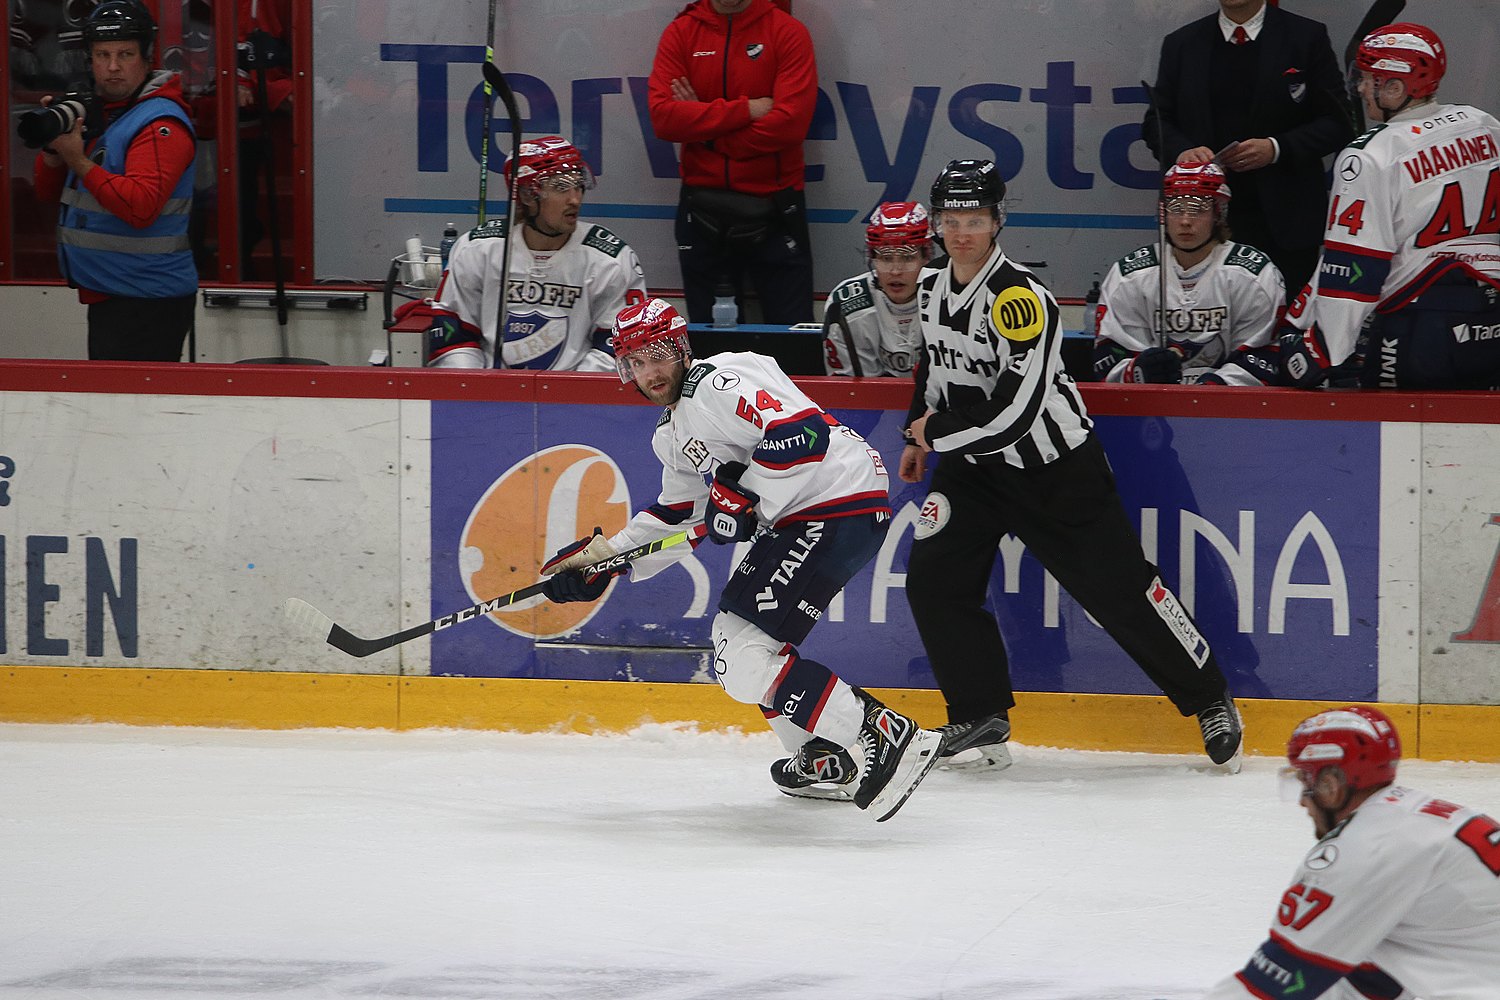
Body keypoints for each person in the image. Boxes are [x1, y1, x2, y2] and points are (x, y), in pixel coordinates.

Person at [539, 297, 943, 821]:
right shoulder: (672, 432)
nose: (649, 371)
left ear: (680, 347)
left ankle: (882, 736)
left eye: (658, 353)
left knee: (744, 655)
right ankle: (824, 753)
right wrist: (608, 560)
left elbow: (805, 435)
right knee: (743, 649)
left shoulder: (717, 383)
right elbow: (679, 512)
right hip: (814, 511)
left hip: (833, 500)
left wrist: (743, 493)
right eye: (636, 362)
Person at [900, 159, 1243, 774]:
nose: (961, 233)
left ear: (998, 221)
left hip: (1053, 469)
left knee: (1117, 591)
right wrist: (919, 430)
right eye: (950, 220)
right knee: (933, 579)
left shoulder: (1021, 299)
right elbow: (937, 362)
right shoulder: (930, 286)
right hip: (970, 470)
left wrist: (938, 431)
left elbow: (1017, 411)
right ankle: (978, 713)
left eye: (974, 220)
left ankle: (1208, 694)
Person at [1199, 705, 1500, 999]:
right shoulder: (1415, 814)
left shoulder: (1362, 850)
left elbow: (1275, 985)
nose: (1303, 801)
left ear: (1331, 786)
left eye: (1306, 781)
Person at [1279, 24, 1500, 391]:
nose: (1361, 89)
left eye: (1368, 79)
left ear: (1396, 88)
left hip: (1420, 330)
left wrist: (1325, 350)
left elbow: (1354, 267)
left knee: (1399, 440)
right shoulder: (1483, 124)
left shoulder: (1370, 154)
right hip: (1491, 321)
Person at [1143, 0, 1354, 299]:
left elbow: (1338, 123)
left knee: (1286, 329)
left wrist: (1276, 148)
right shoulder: (1182, 43)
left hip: (1285, 222)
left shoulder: (1306, 36)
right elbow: (1157, 121)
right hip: (1203, 223)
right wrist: (1184, 153)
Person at [32, 0, 198, 362]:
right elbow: (46, 193)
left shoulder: (158, 124)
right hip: (114, 291)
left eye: (125, 54)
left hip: (148, 300)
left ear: (147, 58)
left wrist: (77, 159)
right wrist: (54, 148)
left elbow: (141, 208)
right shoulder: (105, 113)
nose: (112, 67)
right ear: (89, 60)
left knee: (136, 412)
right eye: (101, 55)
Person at [647, 0, 817, 325]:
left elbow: (789, 125)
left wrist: (704, 128)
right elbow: (663, 118)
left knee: (795, 351)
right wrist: (746, 110)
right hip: (702, 213)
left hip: (776, 210)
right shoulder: (681, 33)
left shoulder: (787, 32)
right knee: (711, 356)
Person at [426, 135, 647, 370]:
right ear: (525, 196)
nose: (575, 199)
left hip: (575, 399)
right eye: (561, 187)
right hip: (489, 397)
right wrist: (474, 392)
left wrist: (570, 398)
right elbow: (454, 337)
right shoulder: (476, 249)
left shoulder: (610, 257)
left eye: (579, 185)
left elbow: (619, 346)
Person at [1093, 163, 1285, 386]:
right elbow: (1106, 359)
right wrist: (1137, 371)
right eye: (1176, 208)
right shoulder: (1130, 275)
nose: (1185, 221)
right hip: (1149, 408)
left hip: (1230, 412)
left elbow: (1263, 358)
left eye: (1197, 209)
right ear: (1164, 213)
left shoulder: (1253, 274)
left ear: (1218, 213)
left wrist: (1207, 393)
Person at [822, 201, 934, 378]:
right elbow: (850, 394)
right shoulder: (847, 305)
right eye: (886, 258)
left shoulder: (950, 296)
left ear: (926, 257)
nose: (895, 271)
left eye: (907, 257)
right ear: (872, 258)